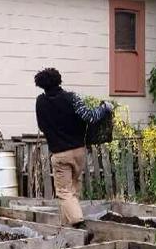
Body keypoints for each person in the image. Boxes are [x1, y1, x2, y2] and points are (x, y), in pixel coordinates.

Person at [34, 68, 112, 228]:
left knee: (63, 192)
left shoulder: (40, 102)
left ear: (41, 85)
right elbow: (90, 116)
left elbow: (42, 126)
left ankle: (78, 224)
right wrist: (105, 107)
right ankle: (66, 226)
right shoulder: (72, 98)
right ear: (59, 80)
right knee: (73, 189)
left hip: (60, 153)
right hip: (78, 151)